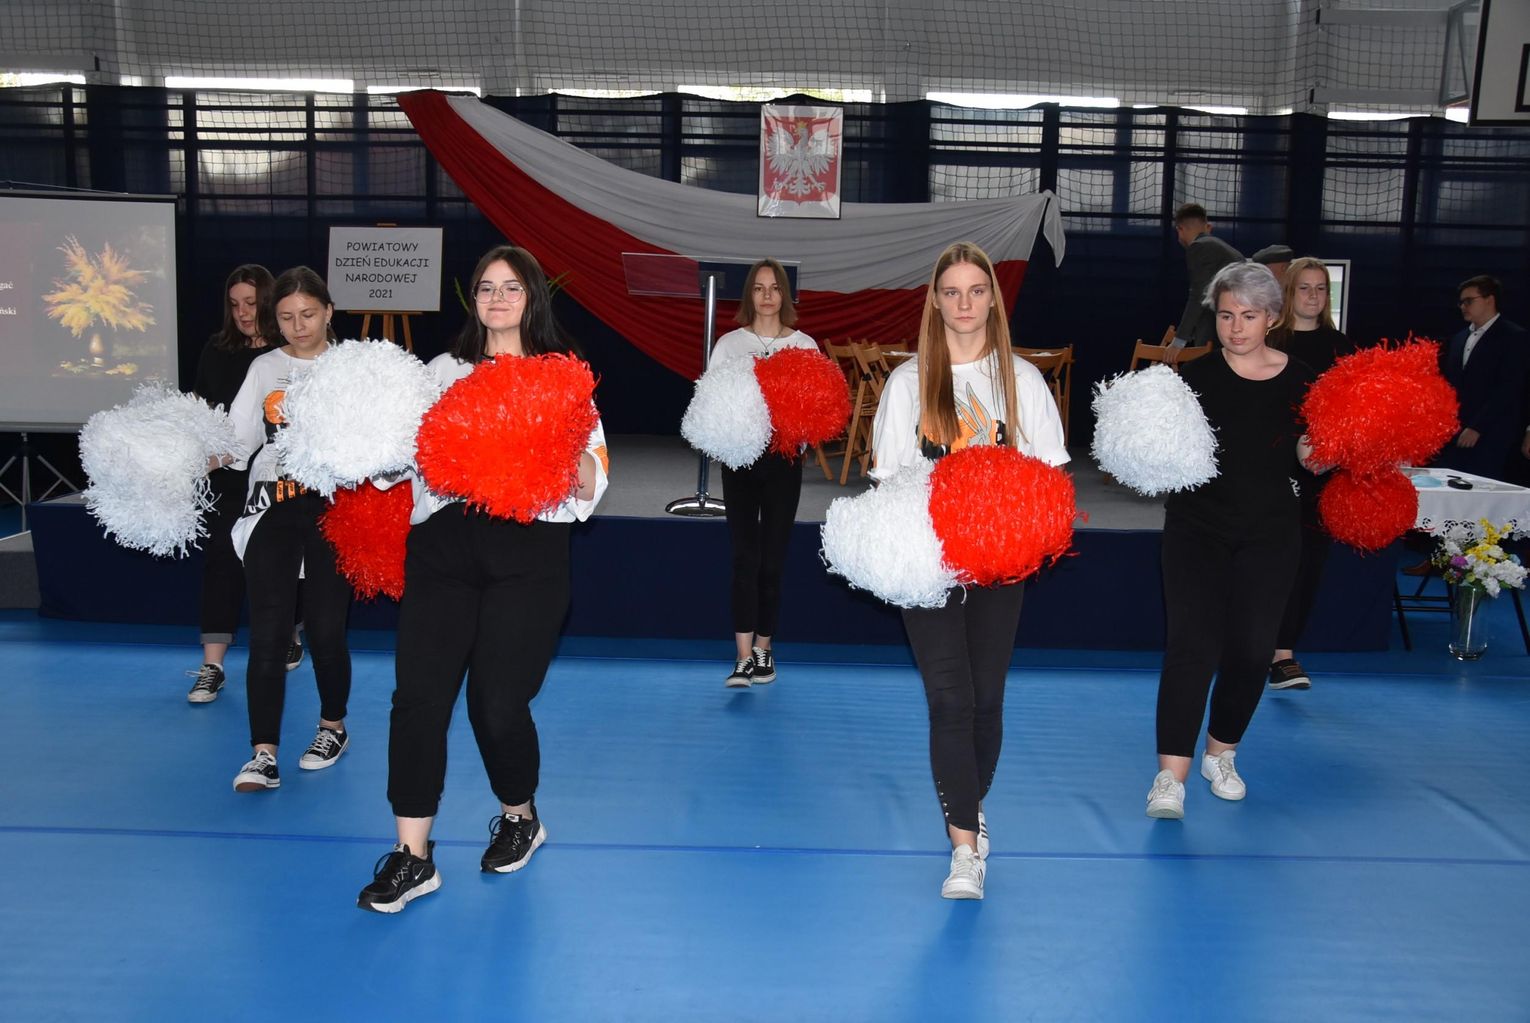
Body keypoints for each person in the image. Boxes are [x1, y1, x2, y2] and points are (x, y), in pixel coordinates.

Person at [357, 245, 608, 914]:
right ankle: (413, 856)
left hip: (529, 553)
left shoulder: (561, 376)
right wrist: (361, 441)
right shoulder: (440, 372)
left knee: (495, 703)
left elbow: (593, 479)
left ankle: (520, 814)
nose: (498, 298)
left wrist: (552, 445)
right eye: (486, 287)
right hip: (442, 547)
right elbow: (396, 463)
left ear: (532, 298)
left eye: (512, 287)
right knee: (418, 699)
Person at [870, 241, 1068, 900]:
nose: (964, 303)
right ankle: (963, 849)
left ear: (993, 300)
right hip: (926, 562)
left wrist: (1017, 532)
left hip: (999, 565)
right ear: (935, 300)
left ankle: (968, 805)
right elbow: (888, 485)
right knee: (949, 700)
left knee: (985, 702)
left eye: (975, 291)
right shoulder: (907, 384)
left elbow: (1051, 483)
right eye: (951, 291)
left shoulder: (1023, 381)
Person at [1147, 262, 1318, 821]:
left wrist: (1327, 453)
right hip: (1197, 529)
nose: (1236, 327)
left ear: (1271, 318)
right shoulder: (1191, 378)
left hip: (1271, 533)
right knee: (1191, 647)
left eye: (1248, 315)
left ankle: (1221, 755)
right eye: (1226, 316)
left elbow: (1307, 454)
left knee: (1250, 649)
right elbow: (1163, 452)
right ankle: (1170, 776)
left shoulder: (1303, 380)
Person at [217, 267, 353, 792]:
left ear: (328, 311)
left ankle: (332, 728)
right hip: (271, 506)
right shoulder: (264, 367)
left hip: (333, 508)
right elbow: (236, 441)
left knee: (326, 629)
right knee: (269, 632)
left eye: (309, 314)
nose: (299, 326)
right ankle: (263, 753)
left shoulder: (353, 367)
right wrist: (177, 459)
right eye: (287, 317)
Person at [185, 265, 305, 704]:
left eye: (251, 303)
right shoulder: (217, 350)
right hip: (227, 476)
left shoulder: (286, 354)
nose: (242, 312)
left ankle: (289, 632)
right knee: (222, 560)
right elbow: (200, 409)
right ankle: (212, 665)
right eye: (235, 304)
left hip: (279, 477)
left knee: (283, 559)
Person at [710, 258, 818, 688]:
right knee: (744, 558)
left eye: (774, 288)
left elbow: (816, 408)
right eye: (759, 287)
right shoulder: (729, 345)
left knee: (772, 561)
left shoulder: (805, 345)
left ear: (785, 295)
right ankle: (741, 658)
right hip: (739, 460)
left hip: (783, 462)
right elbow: (711, 402)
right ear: (749, 295)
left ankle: (764, 650)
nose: (767, 295)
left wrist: (795, 432)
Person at [1264, 257, 1354, 690]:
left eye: (1321, 288)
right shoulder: (1268, 340)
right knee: (1265, 560)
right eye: (1305, 287)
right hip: (1269, 469)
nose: (1314, 296)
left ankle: (1284, 654)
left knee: (1308, 563)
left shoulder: (1342, 347)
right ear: (1289, 292)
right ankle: (1252, 643)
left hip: (1321, 472)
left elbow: (1354, 412)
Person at [1434, 275, 1528, 480]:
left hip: (1491, 434)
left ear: (1489, 299)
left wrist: (1478, 427)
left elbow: (1509, 387)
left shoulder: (1513, 337)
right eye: (1461, 302)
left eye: (1469, 301)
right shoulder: (1459, 339)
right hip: (1455, 433)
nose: (1463, 306)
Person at [1173, 203, 1243, 347]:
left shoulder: (1199, 247)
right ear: (1207, 227)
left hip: (1219, 330)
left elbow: (1199, 294)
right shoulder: (1220, 247)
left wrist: (1180, 339)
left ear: (1180, 229)